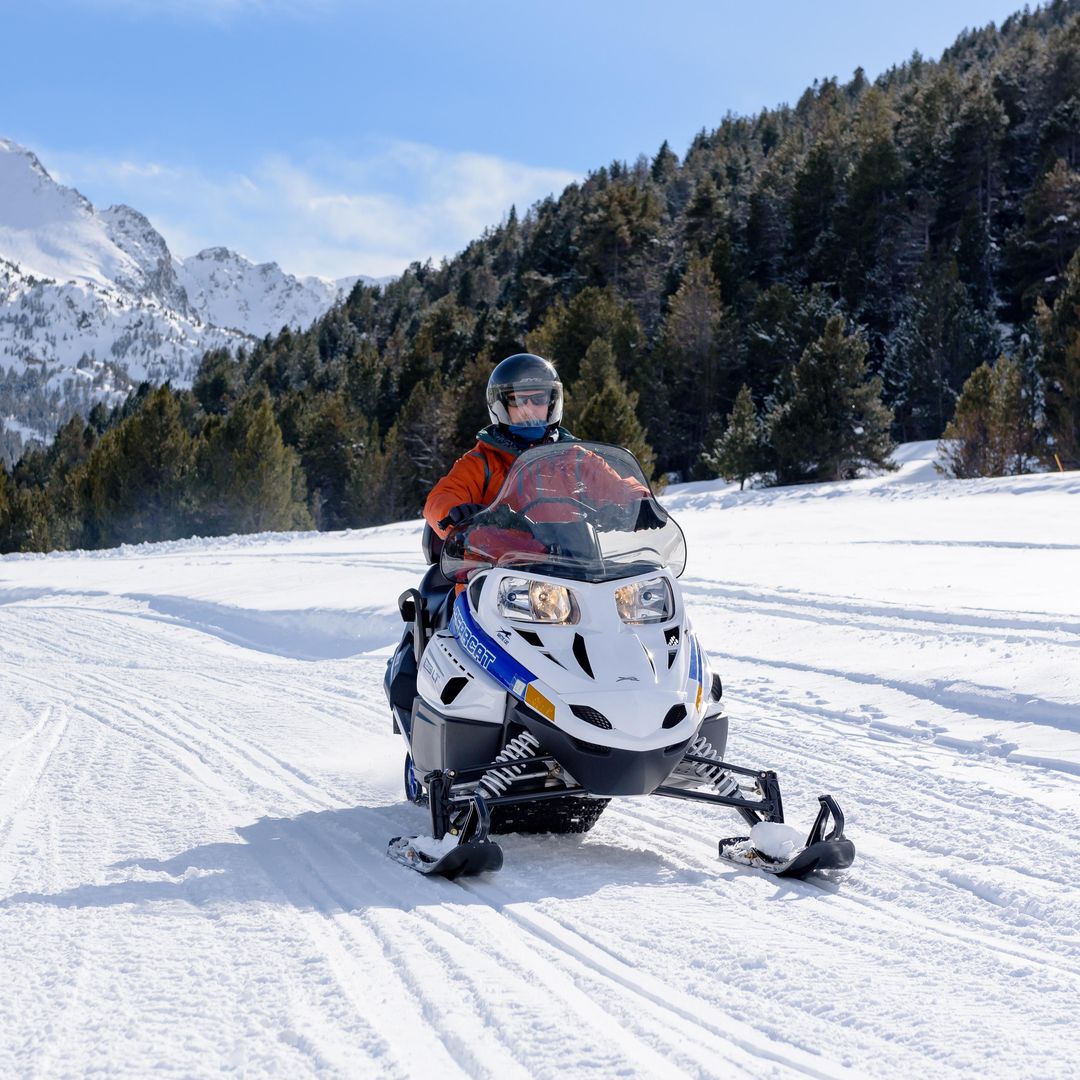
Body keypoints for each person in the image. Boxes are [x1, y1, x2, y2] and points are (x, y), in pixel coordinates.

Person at [424, 353, 654, 540]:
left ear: (552, 403)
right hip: (497, 565)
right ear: (501, 405)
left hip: (573, 561)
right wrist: (455, 512)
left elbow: (618, 486)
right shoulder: (483, 461)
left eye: (540, 399)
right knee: (469, 596)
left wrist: (639, 502)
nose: (530, 408)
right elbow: (441, 497)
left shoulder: (576, 459)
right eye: (519, 400)